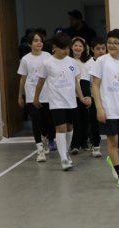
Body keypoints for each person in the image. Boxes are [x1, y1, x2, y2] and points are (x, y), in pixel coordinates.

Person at [33, 32, 91, 170]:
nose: (66, 51)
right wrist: (36, 98)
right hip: (56, 102)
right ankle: (63, 159)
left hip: (71, 102)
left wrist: (81, 97)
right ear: (54, 47)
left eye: (67, 48)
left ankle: (66, 152)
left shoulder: (72, 62)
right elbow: (40, 82)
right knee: (61, 128)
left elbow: (76, 82)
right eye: (63, 48)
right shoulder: (47, 63)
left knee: (70, 128)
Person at [91, 29, 119, 190]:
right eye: (110, 42)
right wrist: (99, 108)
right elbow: (95, 85)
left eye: (116, 43)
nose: (112, 45)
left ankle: (114, 159)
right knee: (113, 142)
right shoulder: (101, 61)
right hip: (108, 109)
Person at [17, 31, 53, 162]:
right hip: (32, 95)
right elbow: (23, 78)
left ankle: (46, 138)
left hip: (47, 94)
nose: (39, 43)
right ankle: (40, 150)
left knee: (47, 122)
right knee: (36, 122)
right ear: (29, 43)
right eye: (36, 41)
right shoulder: (26, 59)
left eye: (41, 40)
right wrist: (20, 95)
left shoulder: (48, 56)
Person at [83, 38, 106, 158]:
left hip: (108, 98)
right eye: (98, 49)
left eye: (103, 48)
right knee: (94, 123)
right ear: (92, 50)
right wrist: (88, 96)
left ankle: (118, 145)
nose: (101, 51)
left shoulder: (109, 62)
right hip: (94, 98)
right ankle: (96, 146)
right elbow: (85, 82)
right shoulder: (88, 65)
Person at [69, 36, 90, 155]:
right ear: (71, 47)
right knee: (75, 120)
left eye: (80, 46)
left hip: (84, 93)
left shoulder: (86, 62)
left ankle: (84, 142)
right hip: (72, 95)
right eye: (75, 45)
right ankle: (74, 144)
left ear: (84, 48)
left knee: (85, 120)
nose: (77, 48)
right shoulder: (68, 60)